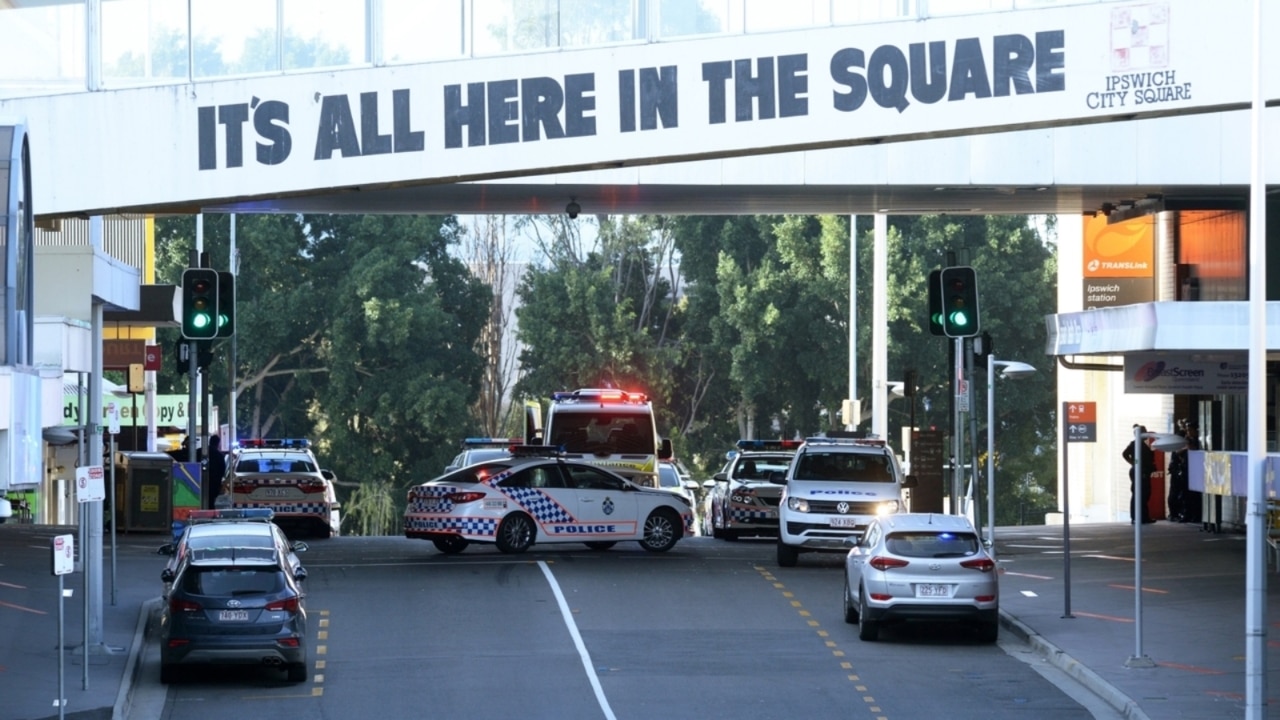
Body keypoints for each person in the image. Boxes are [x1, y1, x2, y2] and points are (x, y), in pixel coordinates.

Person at [1122, 425, 1156, 524]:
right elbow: (1125, 454)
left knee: (1143, 495)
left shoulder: (1141, 444)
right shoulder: (1135, 444)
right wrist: (1135, 463)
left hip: (1141, 471)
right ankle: (1139, 517)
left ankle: (1142, 517)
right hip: (1140, 472)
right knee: (1140, 495)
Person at [204, 434, 227, 510]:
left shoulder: (201, 452)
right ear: (218, 443)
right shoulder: (219, 455)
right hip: (214, 483)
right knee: (211, 501)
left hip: (200, 482)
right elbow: (222, 470)